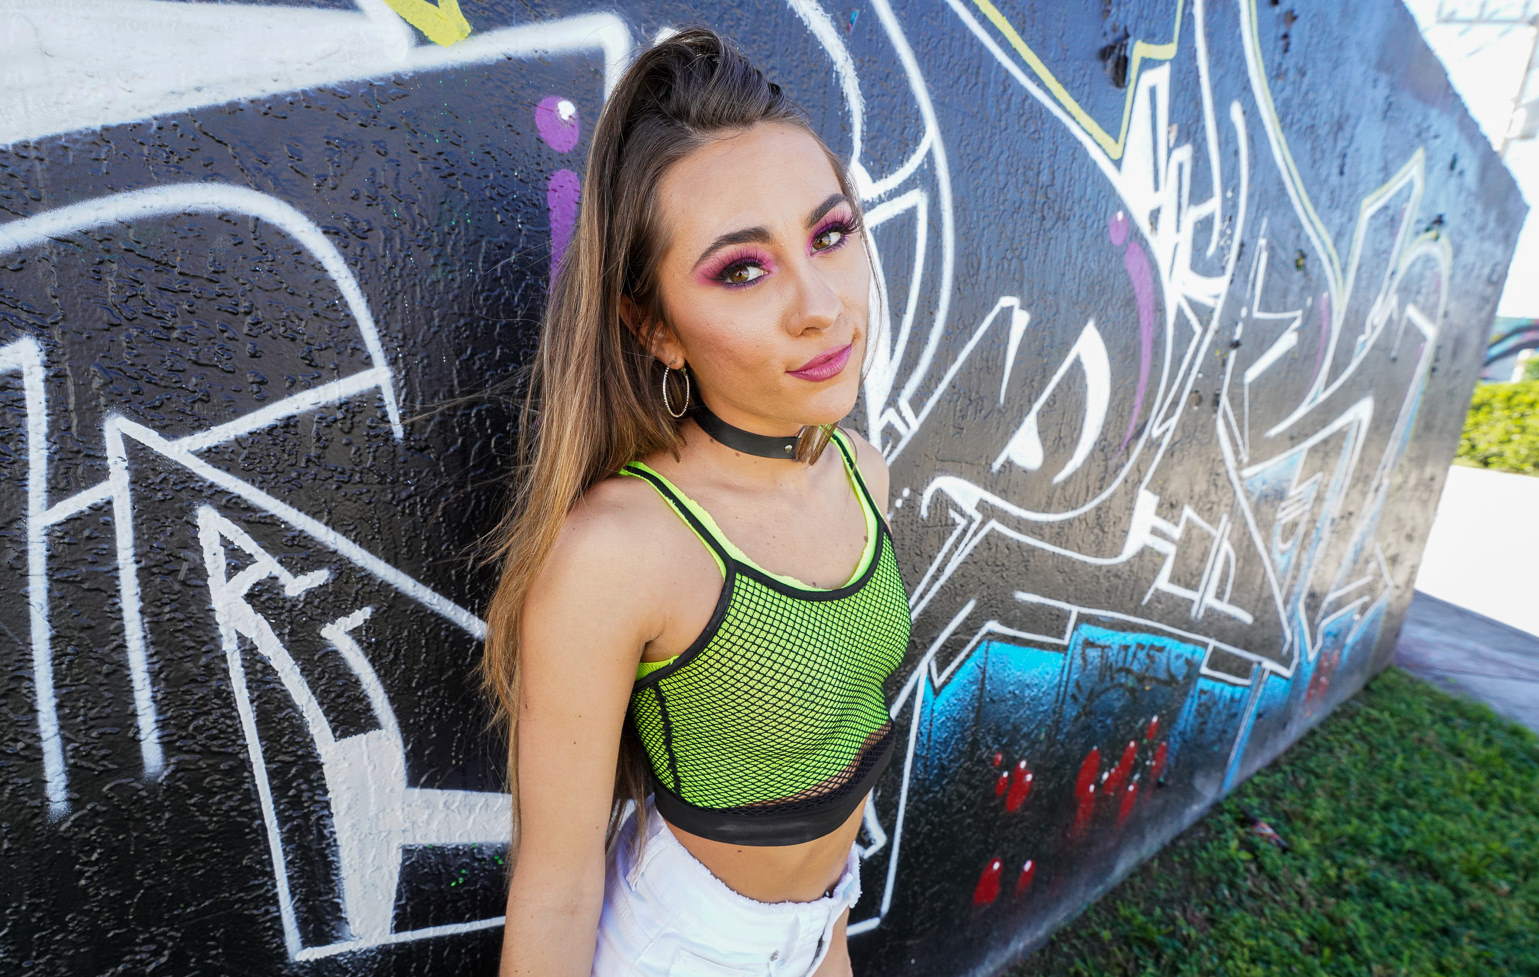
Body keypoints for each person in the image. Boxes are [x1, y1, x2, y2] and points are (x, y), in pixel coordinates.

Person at [476, 25, 912, 977]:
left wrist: (827, 942)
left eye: (830, 234)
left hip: (815, 927)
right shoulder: (620, 549)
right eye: (742, 270)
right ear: (654, 328)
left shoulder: (861, 473)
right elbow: (554, 888)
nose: (820, 306)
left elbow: (835, 769)